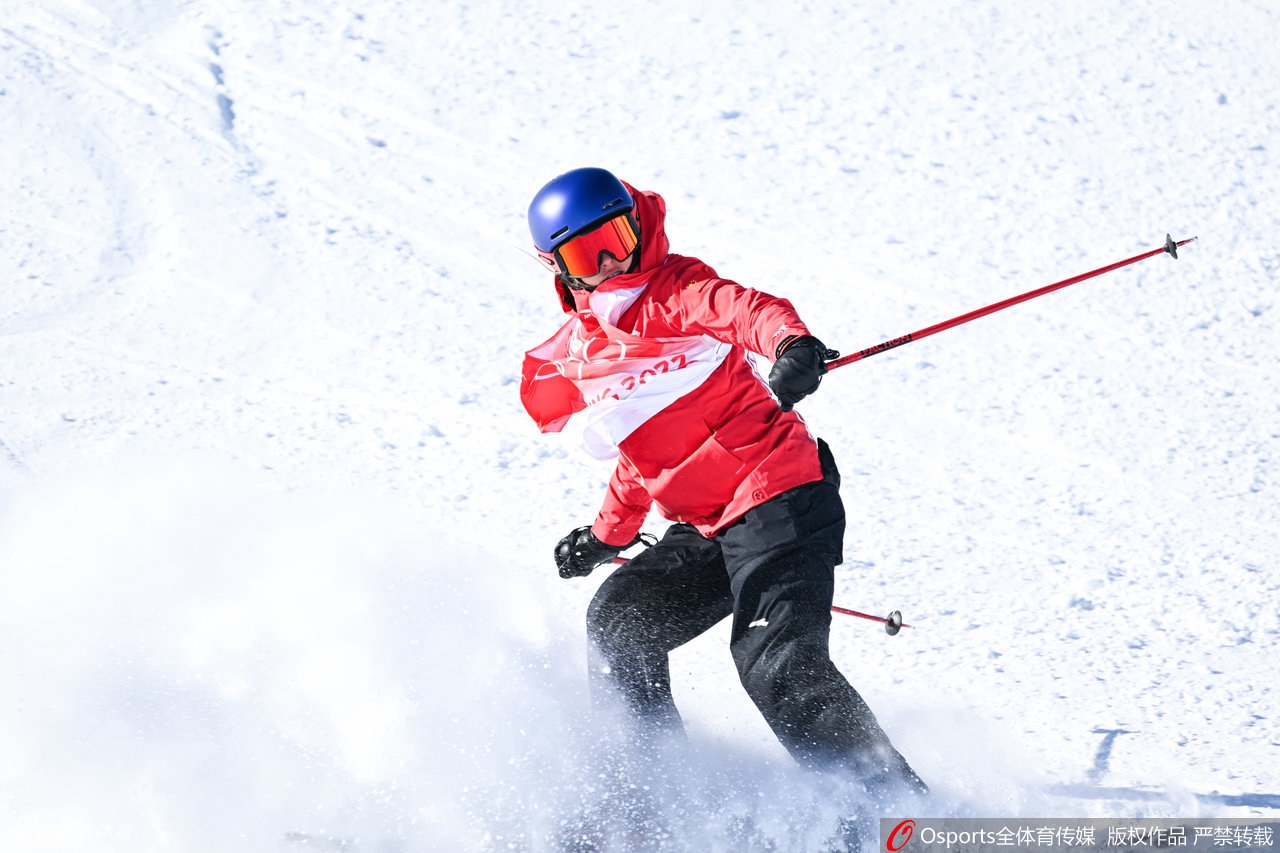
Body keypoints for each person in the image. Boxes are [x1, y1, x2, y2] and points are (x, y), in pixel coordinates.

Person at [519, 167, 926, 804]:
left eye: (618, 236)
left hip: (780, 497)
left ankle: (898, 814)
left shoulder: (673, 289)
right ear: (557, 267)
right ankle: (651, 798)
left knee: (773, 664)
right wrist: (605, 538)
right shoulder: (594, 352)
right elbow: (642, 456)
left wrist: (791, 344)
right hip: (707, 527)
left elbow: (742, 309)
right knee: (620, 620)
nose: (611, 261)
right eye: (584, 253)